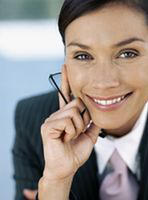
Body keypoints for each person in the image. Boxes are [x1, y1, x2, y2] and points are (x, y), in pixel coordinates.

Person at [12, 0, 148, 199]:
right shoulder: (32, 120)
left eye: (128, 53)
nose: (103, 82)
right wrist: (56, 182)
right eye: (83, 56)